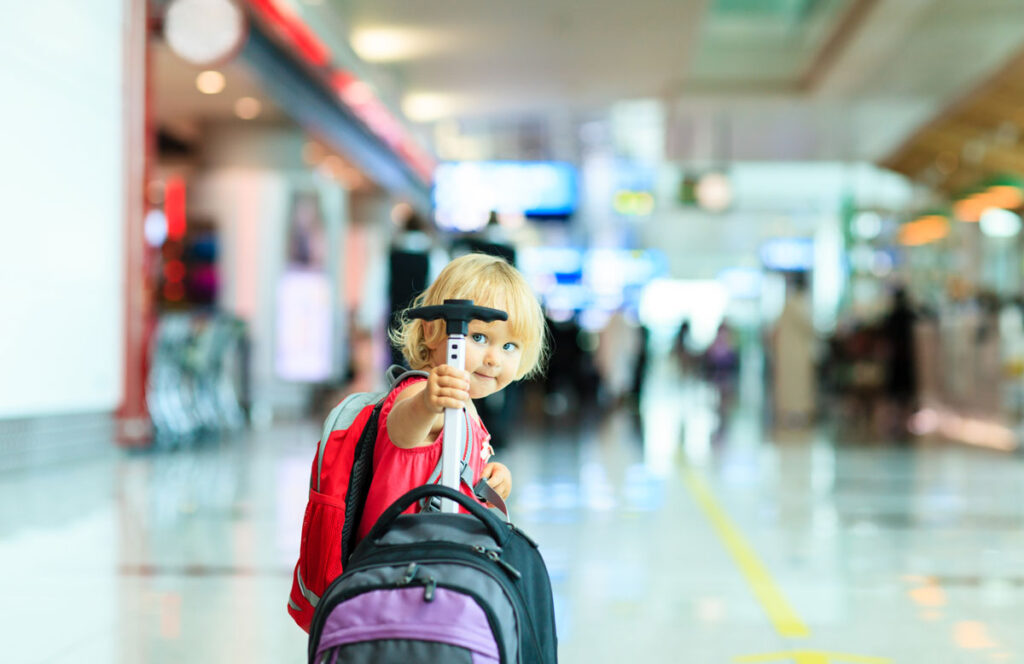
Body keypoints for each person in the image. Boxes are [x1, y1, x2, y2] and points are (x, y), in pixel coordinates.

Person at [357, 254, 549, 538]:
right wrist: (426, 405)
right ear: (432, 328)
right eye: (480, 338)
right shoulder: (422, 390)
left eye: (509, 346)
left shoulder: (466, 404)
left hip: (441, 555)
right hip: (403, 561)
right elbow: (401, 432)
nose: (494, 358)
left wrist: (490, 477)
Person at [772, 274, 816, 427]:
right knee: (796, 385)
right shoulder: (798, 304)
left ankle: (792, 413)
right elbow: (808, 326)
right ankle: (795, 414)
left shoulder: (789, 303)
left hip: (790, 353)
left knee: (792, 384)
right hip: (796, 353)